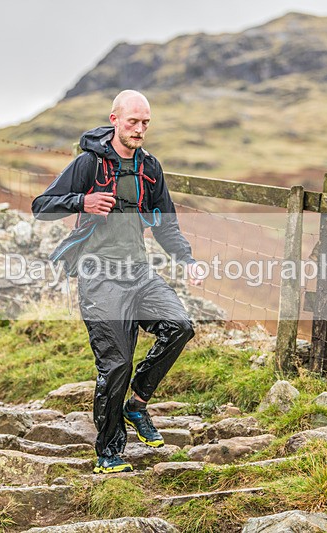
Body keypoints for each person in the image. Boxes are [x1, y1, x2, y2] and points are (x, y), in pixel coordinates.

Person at [32, 90, 202, 474]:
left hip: (138, 273)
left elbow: (166, 223)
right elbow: (41, 206)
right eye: (133, 122)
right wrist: (82, 201)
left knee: (180, 327)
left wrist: (187, 259)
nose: (140, 129)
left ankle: (137, 404)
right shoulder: (88, 163)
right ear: (114, 119)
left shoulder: (150, 169)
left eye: (145, 123)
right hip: (98, 276)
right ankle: (109, 453)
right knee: (116, 364)